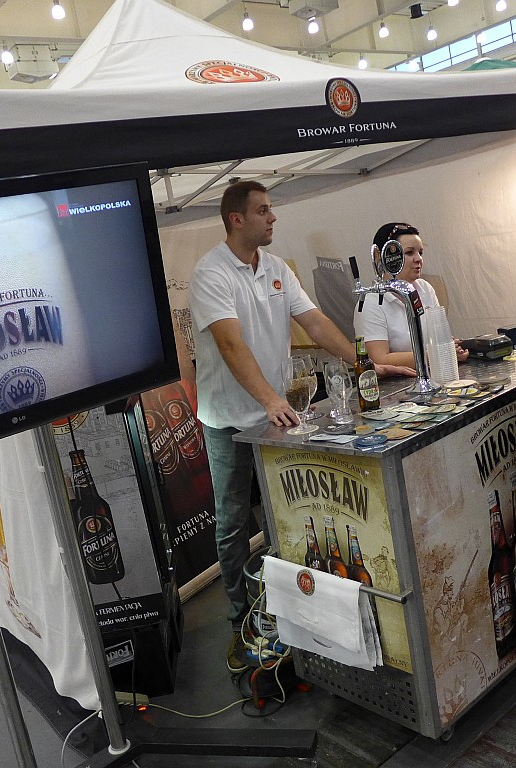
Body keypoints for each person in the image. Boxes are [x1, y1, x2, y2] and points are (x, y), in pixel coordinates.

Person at [189, 181, 412, 672]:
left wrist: (361, 364)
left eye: (271, 209)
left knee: (283, 515)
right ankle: (241, 619)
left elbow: (314, 322)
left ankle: (289, 613)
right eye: (263, 211)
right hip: (230, 419)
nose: (273, 218)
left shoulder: (275, 268)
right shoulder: (210, 272)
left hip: (276, 416)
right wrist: (271, 399)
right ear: (236, 219)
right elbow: (229, 344)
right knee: (232, 521)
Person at [353, 223, 468, 369]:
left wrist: (452, 348)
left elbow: (439, 338)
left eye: (420, 252)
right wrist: (435, 355)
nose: (418, 259)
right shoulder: (370, 303)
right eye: (409, 253)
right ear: (386, 258)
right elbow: (379, 359)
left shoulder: (425, 289)